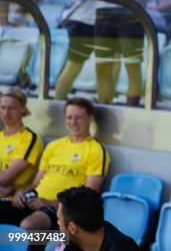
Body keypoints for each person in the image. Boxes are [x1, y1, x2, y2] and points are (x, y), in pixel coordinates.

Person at [0, 98, 110, 231]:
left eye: (78, 117)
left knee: (28, 227)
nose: (73, 122)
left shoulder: (96, 150)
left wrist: (49, 202)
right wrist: (21, 192)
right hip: (33, 201)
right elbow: (35, 184)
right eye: (69, 117)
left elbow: (88, 197)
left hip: (62, 210)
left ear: (90, 118)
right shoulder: (54, 146)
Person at [57, 186, 140, 251]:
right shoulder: (71, 237)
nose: (58, 223)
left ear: (72, 228)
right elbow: (46, 237)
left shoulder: (122, 247)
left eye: (59, 220)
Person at [0, 88, 44, 198]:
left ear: (23, 109)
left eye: (11, 108)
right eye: (3, 108)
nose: (6, 113)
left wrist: (6, 185)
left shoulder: (29, 138)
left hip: (12, 202)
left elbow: (5, 179)